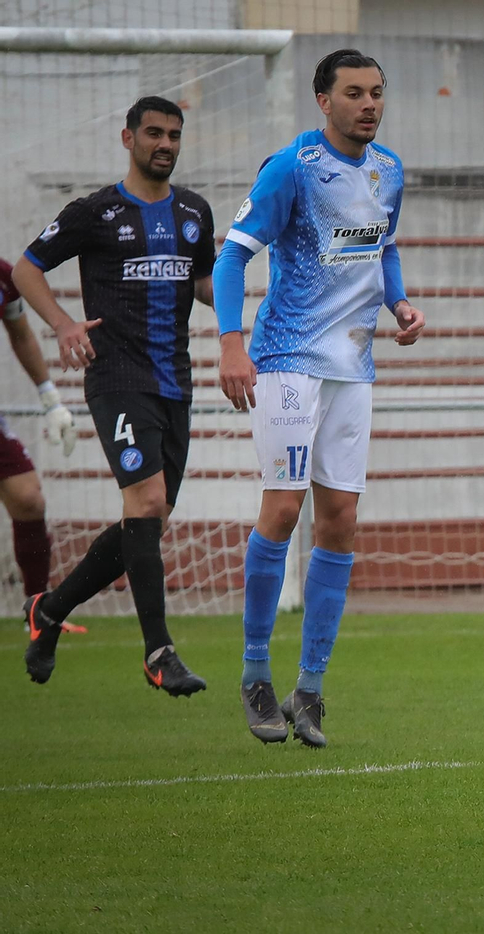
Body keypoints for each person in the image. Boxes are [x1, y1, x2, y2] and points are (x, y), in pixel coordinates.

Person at [212, 48, 424, 747]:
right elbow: (233, 254)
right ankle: (254, 676)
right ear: (323, 101)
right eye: (355, 93)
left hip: (353, 369)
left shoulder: (388, 170)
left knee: (340, 522)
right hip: (287, 362)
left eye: (377, 93)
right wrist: (231, 343)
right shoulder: (292, 168)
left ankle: (310, 689)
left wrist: (400, 306)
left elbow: (382, 245)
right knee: (282, 510)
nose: (370, 104)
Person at [13, 97, 214, 695]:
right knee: (147, 502)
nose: (166, 144)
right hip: (116, 379)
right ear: (127, 138)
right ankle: (159, 653)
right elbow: (26, 269)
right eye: (154, 133)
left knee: (144, 519)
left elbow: (203, 283)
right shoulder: (95, 212)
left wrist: (252, 286)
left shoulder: (193, 213)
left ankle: (48, 611)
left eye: (174, 135)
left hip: (174, 383)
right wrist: (63, 324)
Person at [0, 259, 72, 607]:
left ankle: (37, 611)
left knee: (29, 498)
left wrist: (50, 397)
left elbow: (20, 332)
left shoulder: (4, 274)